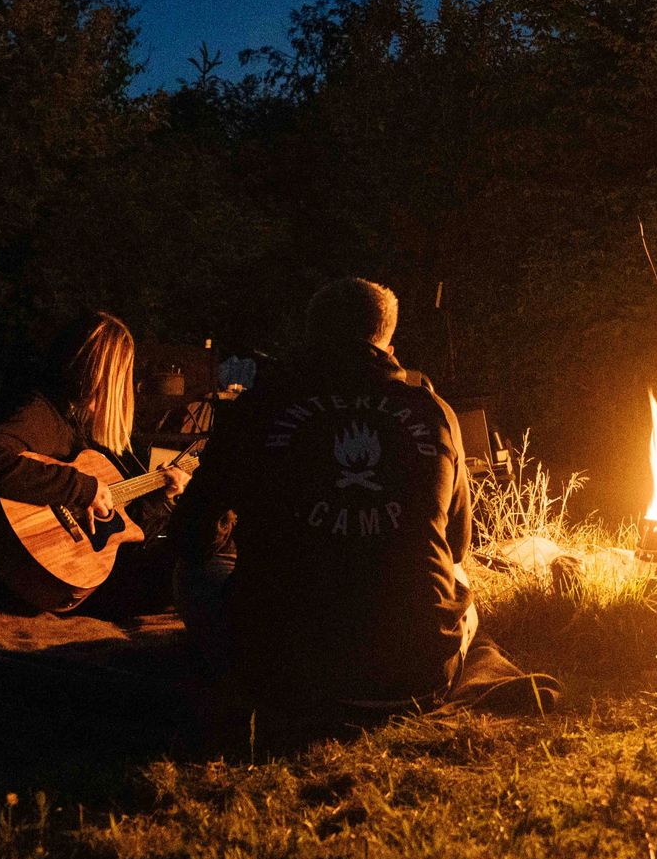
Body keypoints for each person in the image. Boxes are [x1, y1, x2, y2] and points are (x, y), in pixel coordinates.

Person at [169, 277, 476, 729]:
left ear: (310, 335)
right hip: (415, 676)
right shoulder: (435, 412)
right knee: (458, 576)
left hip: (279, 675)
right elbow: (458, 544)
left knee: (194, 572)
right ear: (388, 338)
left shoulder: (257, 409)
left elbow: (190, 537)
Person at [0, 311, 192, 614]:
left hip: (65, 575)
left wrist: (163, 497)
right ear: (96, 373)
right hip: (12, 576)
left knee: (175, 564)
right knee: (182, 571)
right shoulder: (39, 411)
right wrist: (82, 488)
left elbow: (123, 529)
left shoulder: (79, 427)